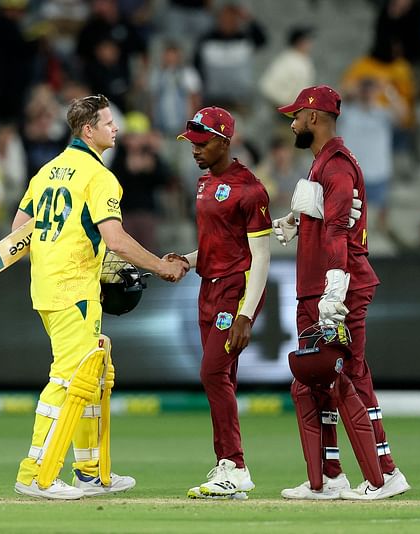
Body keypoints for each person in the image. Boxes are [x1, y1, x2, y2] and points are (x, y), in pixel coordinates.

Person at [12, 94, 188, 500]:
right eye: (109, 123)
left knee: (90, 375)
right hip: (75, 290)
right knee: (69, 378)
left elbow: (18, 231)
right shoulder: (99, 176)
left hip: (47, 286)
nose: (116, 128)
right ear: (88, 130)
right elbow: (116, 240)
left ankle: (89, 471)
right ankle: (36, 473)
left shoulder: (47, 171)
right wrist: (160, 266)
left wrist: (58, 251)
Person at [273, 85, 410, 500]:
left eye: (296, 115)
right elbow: (325, 224)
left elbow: (338, 232)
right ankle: (331, 475)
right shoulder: (323, 166)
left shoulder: (335, 168)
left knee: (350, 375)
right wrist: (297, 222)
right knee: (319, 381)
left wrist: (335, 290)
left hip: (336, 287)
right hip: (318, 285)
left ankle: (385, 472)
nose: (292, 122)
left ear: (314, 118)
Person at [169, 107, 272, 500]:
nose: (194, 150)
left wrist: (247, 313)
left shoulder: (251, 189)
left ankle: (235, 465)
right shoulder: (204, 183)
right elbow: (217, 244)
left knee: (212, 372)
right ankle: (228, 469)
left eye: (202, 142)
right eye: (191, 143)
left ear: (225, 141)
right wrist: (186, 259)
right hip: (207, 287)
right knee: (223, 377)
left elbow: (259, 256)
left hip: (236, 289)